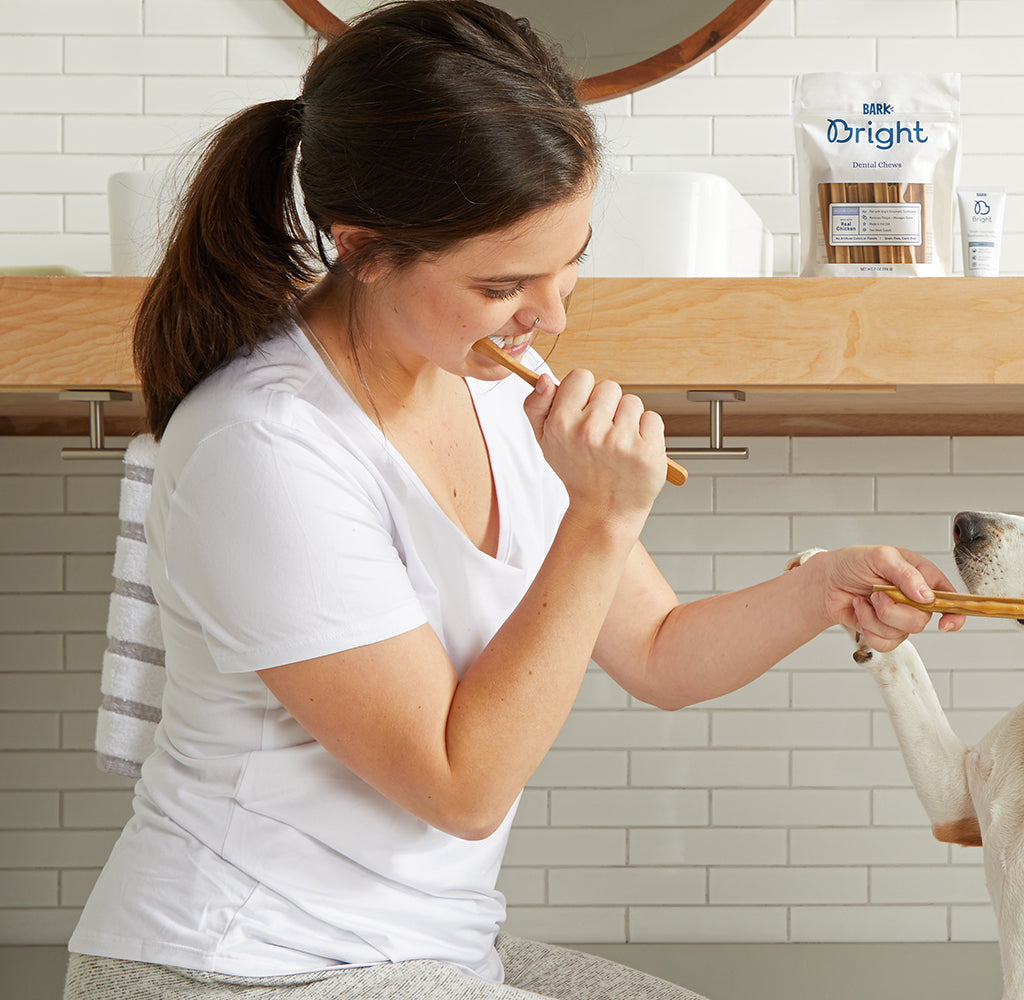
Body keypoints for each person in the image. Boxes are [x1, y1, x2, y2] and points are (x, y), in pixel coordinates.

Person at [64, 3, 965, 998]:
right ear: (361, 246)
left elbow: (660, 651)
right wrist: (598, 518)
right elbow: (461, 785)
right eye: (504, 284)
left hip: (431, 955)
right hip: (245, 968)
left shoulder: (493, 385)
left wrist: (822, 591)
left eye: (571, 258)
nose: (553, 314)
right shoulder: (266, 446)